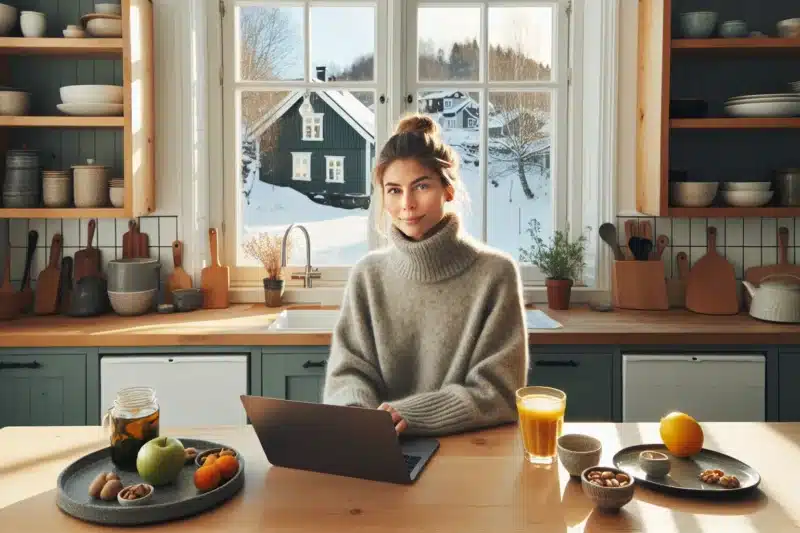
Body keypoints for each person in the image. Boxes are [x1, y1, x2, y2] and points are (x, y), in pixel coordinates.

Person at [322, 113, 529, 437]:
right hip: (380, 449)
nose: (407, 204)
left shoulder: (495, 274)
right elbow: (347, 374)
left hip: (468, 454)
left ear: (448, 190)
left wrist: (409, 415)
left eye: (421, 186)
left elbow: (499, 390)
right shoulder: (368, 275)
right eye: (393, 190)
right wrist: (361, 422)